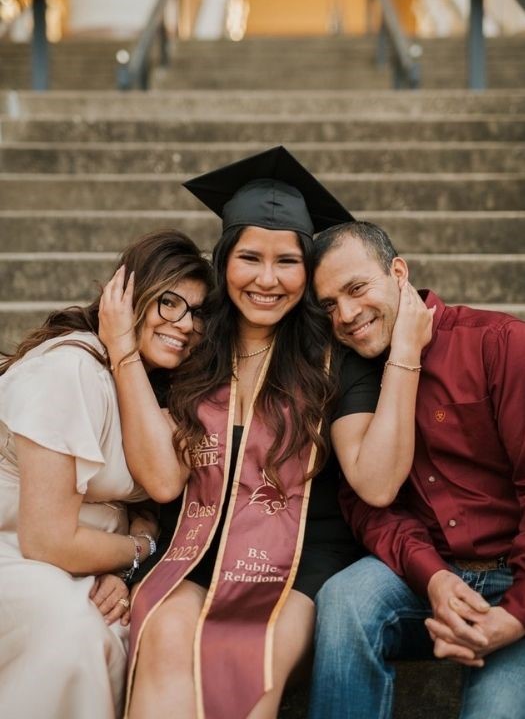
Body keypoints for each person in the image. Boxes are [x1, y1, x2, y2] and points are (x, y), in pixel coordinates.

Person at [99, 146, 433, 719]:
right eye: (250, 258)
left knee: (249, 662)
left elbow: (377, 484)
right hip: (196, 549)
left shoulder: (333, 356)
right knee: (164, 640)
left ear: (308, 271)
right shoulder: (196, 347)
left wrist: (405, 351)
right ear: (224, 260)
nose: (267, 279)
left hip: (300, 561)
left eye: (288, 262)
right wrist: (123, 352)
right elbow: (162, 481)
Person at [308, 220, 525, 719]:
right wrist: (434, 578)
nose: (346, 315)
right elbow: (367, 508)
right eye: (328, 305)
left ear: (398, 272)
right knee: (344, 599)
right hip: (426, 576)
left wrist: (515, 615)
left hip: (517, 579)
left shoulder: (498, 343)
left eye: (357, 288)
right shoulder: (349, 376)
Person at [0, 229, 214, 719]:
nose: (185, 324)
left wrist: (122, 569)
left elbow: (156, 492)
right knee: (75, 633)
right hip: (17, 549)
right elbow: (47, 539)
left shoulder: (156, 387)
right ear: (125, 297)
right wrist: (139, 552)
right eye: (168, 302)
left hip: (77, 560)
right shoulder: (72, 370)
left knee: (139, 627)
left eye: (199, 313)